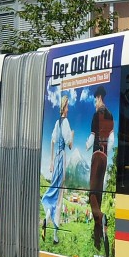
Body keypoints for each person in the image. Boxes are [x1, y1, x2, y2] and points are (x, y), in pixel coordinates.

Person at [41, 95, 72, 245]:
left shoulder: (56, 123)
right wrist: (72, 135)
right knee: (59, 198)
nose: (69, 108)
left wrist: (52, 161)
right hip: (63, 158)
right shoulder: (65, 122)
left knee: (54, 193)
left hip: (56, 159)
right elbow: (70, 144)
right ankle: (55, 236)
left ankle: (46, 220)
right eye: (68, 106)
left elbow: (52, 141)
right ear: (64, 107)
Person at [88, 86, 115, 257]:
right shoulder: (111, 115)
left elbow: (91, 139)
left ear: (98, 97)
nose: (94, 102)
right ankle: (98, 241)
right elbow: (112, 140)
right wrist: (107, 153)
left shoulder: (95, 115)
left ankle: (102, 217)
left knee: (91, 195)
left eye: (94, 99)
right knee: (99, 196)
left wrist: (87, 145)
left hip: (96, 156)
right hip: (105, 157)